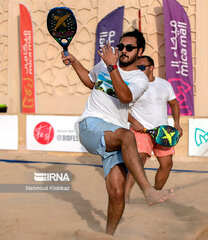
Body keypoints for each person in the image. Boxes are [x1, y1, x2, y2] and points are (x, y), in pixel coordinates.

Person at [61, 29, 174, 236]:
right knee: (128, 135)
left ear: (139, 52)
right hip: (91, 125)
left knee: (117, 192)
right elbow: (90, 81)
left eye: (129, 48)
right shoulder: (106, 64)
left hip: (115, 135)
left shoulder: (139, 79)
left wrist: (112, 66)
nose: (123, 51)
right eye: (120, 46)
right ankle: (148, 191)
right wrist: (75, 62)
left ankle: (108, 235)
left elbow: (124, 97)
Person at [124, 55, 183, 203]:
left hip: (162, 132)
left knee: (167, 164)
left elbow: (174, 104)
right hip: (140, 132)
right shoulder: (132, 85)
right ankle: (124, 198)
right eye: (137, 67)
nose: (139, 70)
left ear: (151, 68)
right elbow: (120, 108)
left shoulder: (164, 84)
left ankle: (155, 194)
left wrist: (177, 124)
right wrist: (134, 122)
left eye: (142, 67)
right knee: (139, 162)